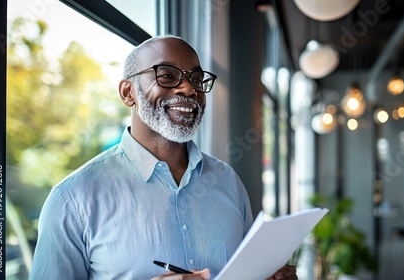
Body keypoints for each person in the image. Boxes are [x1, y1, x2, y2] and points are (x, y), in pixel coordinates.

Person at [29, 35, 297, 280]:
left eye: (196, 79)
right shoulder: (72, 199)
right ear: (127, 93)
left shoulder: (228, 181)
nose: (188, 89)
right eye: (167, 76)